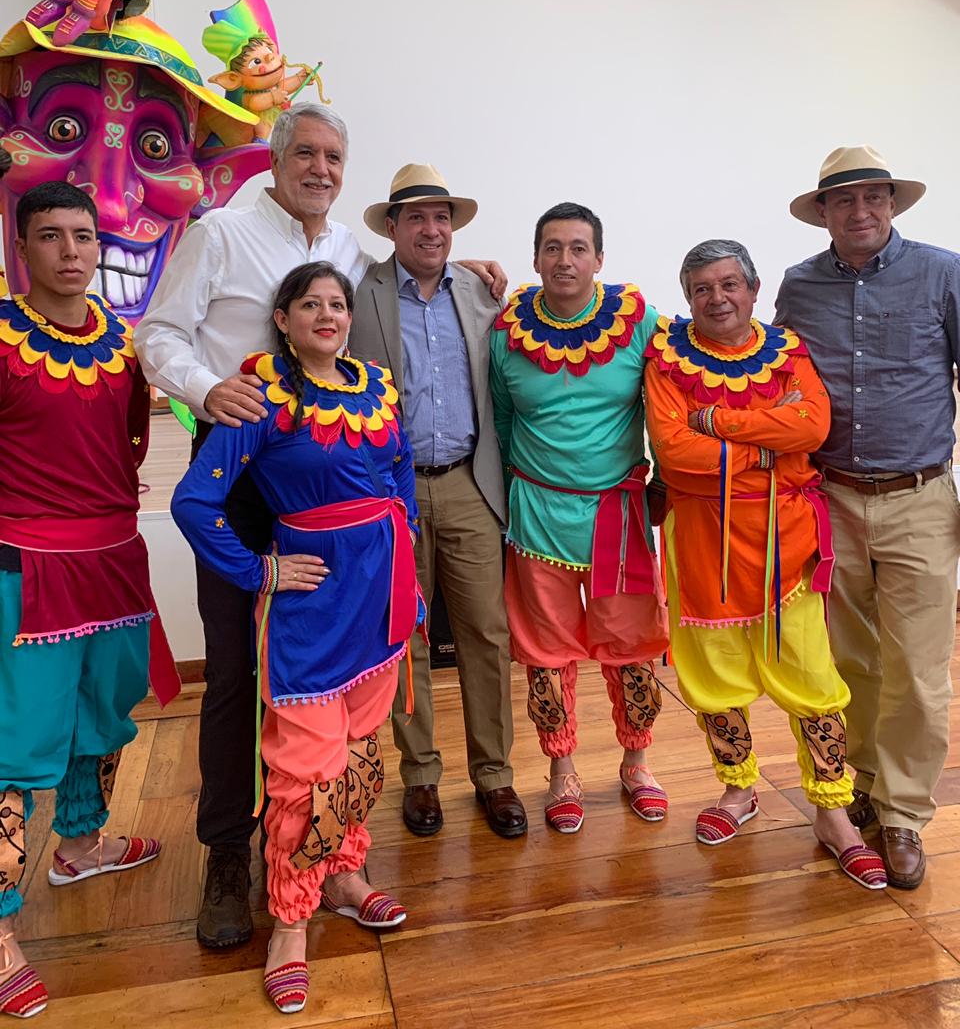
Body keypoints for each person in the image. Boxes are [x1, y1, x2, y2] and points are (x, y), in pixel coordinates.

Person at [135, 101, 504, 946]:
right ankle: (230, 854)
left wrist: (469, 265)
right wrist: (206, 389)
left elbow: (404, 280)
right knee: (236, 671)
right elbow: (156, 334)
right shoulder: (221, 233)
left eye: (335, 157)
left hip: (331, 486)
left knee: (345, 678)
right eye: (305, 153)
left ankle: (332, 856)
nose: (321, 169)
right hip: (240, 467)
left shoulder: (346, 252)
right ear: (275, 159)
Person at [172, 261, 420, 1015]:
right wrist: (259, 572)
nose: (326, 314)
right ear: (281, 320)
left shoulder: (375, 386)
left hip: (379, 592)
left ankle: (345, 876)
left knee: (361, 749)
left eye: (337, 304)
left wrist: (403, 548)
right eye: (308, 303)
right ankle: (288, 921)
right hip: (310, 605)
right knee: (304, 769)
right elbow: (195, 500)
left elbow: (399, 467)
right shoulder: (262, 394)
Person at [644, 239, 887, 889]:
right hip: (700, 544)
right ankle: (737, 790)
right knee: (713, 679)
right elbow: (675, 452)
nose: (716, 298)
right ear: (687, 296)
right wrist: (762, 444)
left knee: (811, 678)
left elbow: (811, 428)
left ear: (753, 291)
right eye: (701, 288)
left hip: (786, 545)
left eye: (729, 285)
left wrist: (717, 420)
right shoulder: (668, 360)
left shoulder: (786, 351)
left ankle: (833, 814)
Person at [0, 181, 177, 1020]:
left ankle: (79, 844)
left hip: (113, 560)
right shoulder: (0, 339)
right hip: (25, 568)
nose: (72, 251)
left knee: (102, 716)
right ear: (21, 247)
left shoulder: (121, 339)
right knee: (13, 750)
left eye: (83, 236)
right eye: (51, 237)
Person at [775, 146, 960, 889]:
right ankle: (863, 786)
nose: (861, 212)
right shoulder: (800, 285)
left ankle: (907, 814)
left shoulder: (944, 273)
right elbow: (777, 379)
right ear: (823, 213)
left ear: (892, 204)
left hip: (920, 498)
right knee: (849, 662)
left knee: (918, 668)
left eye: (874, 198)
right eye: (845, 201)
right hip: (831, 500)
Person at [350, 165, 525, 839]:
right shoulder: (358, 290)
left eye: (442, 218)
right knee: (406, 634)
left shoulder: (483, 293)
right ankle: (420, 774)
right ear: (391, 229)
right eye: (417, 218)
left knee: (486, 632)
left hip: (468, 483)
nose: (432, 229)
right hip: (390, 493)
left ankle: (495, 775)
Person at [490, 202, 668, 834]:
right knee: (547, 652)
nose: (565, 260)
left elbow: (667, 402)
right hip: (537, 513)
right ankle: (561, 771)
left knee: (633, 646)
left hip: (617, 515)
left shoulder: (640, 321)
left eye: (578, 248)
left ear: (599, 258)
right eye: (552, 248)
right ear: (535, 258)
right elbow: (503, 423)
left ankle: (637, 763)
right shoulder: (505, 331)